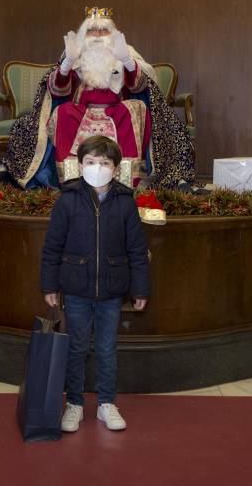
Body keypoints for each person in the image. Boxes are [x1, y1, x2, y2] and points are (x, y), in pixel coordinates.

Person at [0, 6, 195, 190]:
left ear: (112, 34)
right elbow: (56, 90)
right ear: (84, 34)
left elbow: (141, 87)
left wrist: (126, 60)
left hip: (116, 110)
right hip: (81, 110)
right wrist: (68, 63)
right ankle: (71, 179)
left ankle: (125, 180)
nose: (98, 36)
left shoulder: (125, 53)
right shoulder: (75, 55)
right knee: (63, 112)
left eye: (103, 31)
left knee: (135, 108)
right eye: (92, 31)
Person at [40, 135, 150, 432]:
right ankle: (74, 404)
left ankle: (106, 404)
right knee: (76, 348)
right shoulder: (67, 200)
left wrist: (140, 289)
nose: (97, 167)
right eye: (91, 162)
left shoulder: (125, 203)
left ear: (116, 168)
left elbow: (137, 250)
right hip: (76, 289)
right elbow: (52, 247)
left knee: (106, 348)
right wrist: (50, 286)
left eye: (104, 162)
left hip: (112, 292)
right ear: (80, 165)